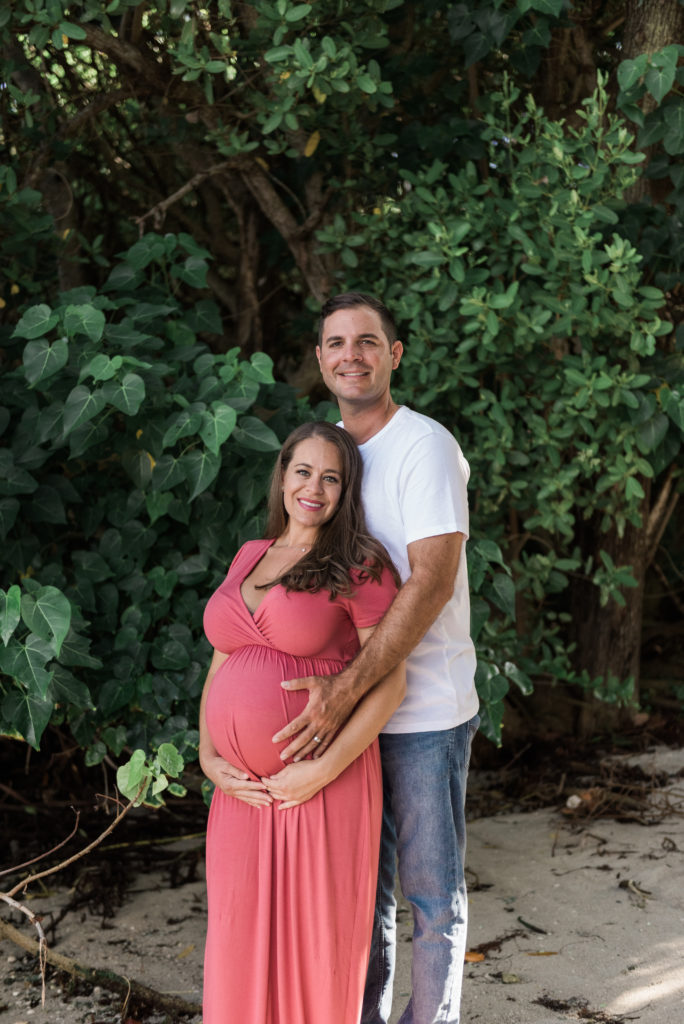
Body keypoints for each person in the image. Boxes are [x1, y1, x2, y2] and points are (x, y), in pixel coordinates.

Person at [273, 293, 480, 1024]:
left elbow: (431, 582)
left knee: (430, 895)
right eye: (335, 342)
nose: (350, 354)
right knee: (359, 895)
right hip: (347, 715)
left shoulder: (424, 446)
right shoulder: (325, 449)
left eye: (368, 341)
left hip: (423, 713)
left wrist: (344, 690)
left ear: (394, 355)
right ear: (321, 358)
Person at [199, 420, 406, 1024]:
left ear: (347, 491)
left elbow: (390, 681)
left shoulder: (359, 565)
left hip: (319, 787)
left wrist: (316, 773)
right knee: (238, 939)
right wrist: (209, 758)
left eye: (332, 477)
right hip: (239, 793)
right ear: (283, 475)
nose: (314, 487)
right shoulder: (250, 555)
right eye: (303, 471)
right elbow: (221, 666)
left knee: (316, 947)